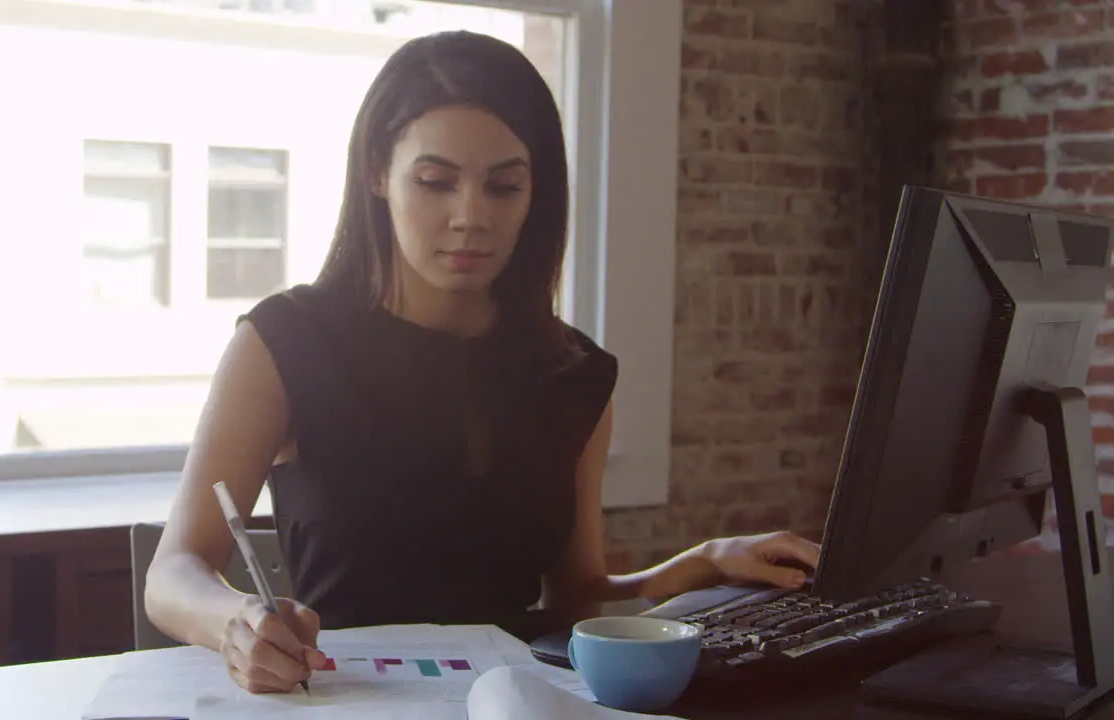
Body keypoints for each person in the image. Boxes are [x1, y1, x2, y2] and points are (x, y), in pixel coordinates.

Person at [143, 29, 822, 696]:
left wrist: (704, 564)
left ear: (536, 195)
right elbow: (173, 572)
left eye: (503, 188)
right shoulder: (286, 339)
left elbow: (577, 599)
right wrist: (236, 620)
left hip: (518, 701)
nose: (471, 217)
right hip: (345, 699)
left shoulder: (573, 371)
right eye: (436, 182)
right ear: (378, 173)